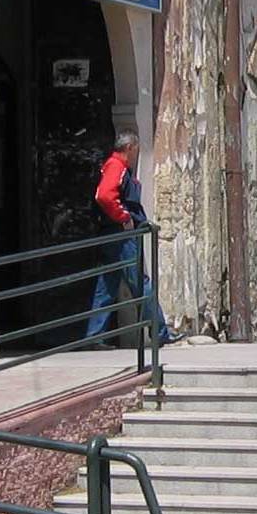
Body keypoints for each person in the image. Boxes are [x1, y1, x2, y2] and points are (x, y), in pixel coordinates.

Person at [83, 130, 170, 350]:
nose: (136, 155)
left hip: (112, 235)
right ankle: (160, 332)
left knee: (107, 284)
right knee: (140, 282)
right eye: (136, 150)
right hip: (121, 237)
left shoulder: (115, 167)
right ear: (130, 148)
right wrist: (124, 217)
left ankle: (95, 336)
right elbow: (104, 195)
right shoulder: (117, 166)